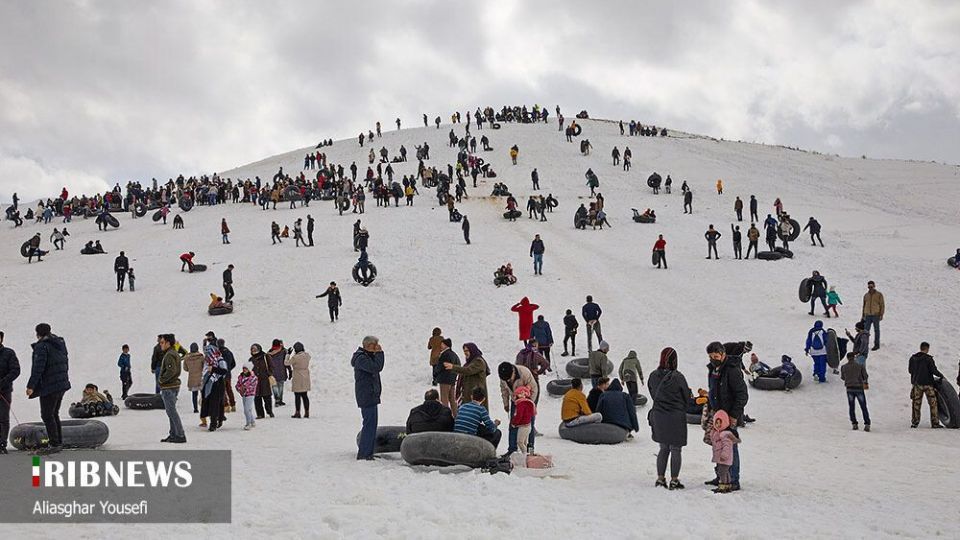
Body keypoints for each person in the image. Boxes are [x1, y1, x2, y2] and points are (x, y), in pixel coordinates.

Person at [704, 341, 748, 491]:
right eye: (710, 356)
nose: (713, 359)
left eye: (715, 356)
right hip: (717, 415)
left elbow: (742, 395)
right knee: (718, 444)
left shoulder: (732, 370)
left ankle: (733, 479)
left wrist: (734, 415)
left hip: (730, 415)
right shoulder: (712, 369)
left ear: (722, 354)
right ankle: (721, 475)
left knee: (730, 447)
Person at [648, 347, 690, 490]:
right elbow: (686, 397)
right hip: (675, 416)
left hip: (659, 415)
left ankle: (660, 478)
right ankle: (674, 480)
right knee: (676, 448)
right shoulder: (678, 377)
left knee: (663, 447)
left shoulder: (653, 376)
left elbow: (653, 394)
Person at [24, 323, 71, 454]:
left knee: (47, 415)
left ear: (38, 333)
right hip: (61, 383)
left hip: (50, 385)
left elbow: (38, 368)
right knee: (54, 413)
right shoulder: (59, 343)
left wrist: (31, 386)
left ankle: (54, 443)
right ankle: (58, 442)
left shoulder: (41, 347)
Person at [353, 336, 384, 460]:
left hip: (370, 395)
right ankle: (364, 453)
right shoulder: (361, 358)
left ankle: (368, 452)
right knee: (369, 425)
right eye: (374, 345)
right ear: (368, 346)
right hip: (366, 395)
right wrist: (380, 353)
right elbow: (376, 367)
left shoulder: (366, 357)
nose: (376, 346)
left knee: (371, 424)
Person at [498, 362, 538, 454]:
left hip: (528, 401)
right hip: (515, 401)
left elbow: (534, 388)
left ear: (513, 371)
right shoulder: (503, 377)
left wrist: (529, 404)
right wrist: (506, 404)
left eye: (509, 378)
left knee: (529, 424)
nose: (508, 381)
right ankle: (512, 449)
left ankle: (530, 449)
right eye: (506, 379)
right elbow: (504, 390)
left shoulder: (524, 372)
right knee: (513, 423)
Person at [157, 333, 185, 443]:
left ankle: (180, 434)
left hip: (169, 387)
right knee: (170, 412)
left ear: (168, 343)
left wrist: (161, 380)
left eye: (162, 342)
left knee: (172, 412)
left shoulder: (169, 355)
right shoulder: (173, 353)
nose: (160, 344)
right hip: (172, 386)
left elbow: (171, 371)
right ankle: (173, 434)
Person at [908, 342, 944, 429]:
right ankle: (935, 423)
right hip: (928, 384)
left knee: (916, 403)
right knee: (933, 403)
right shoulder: (928, 359)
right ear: (927, 349)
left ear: (920, 348)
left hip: (917, 384)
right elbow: (934, 370)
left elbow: (910, 370)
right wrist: (941, 376)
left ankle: (915, 422)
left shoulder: (913, 358)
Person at [445, 342, 490, 409]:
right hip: (469, 395)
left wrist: (453, 367)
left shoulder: (479, 361)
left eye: (467, 350)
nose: (465, 353)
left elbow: (468, 370)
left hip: (477, 396)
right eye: (464, 351)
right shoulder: (470, 362)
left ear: (472, 350)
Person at [709, 410, 741, 494]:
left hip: (724, 458)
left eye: (720, 423)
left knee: (722, 472)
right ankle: (727, 485)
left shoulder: (725, 434)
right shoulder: (717, 433)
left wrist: (724, 455)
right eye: (716, 423)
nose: (718, 425)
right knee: (725, 472)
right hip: (720, 457)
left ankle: (723, 485)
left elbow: (727, 446)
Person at [199, 341, 228, 432]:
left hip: (218, 385)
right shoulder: (207, 362)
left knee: (215, 404)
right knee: (210, 404)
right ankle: (217, 420)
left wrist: (214, 369)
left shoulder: (220, 360)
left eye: (208, 352)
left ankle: (214, 424)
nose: (207, 355)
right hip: (208, 385)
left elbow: (224, 371)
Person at [0, 331, 21, 454]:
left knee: (3, 418)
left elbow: (15, 370)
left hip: (4, 391)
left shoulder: (9, 353)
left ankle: (2, 443)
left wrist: (2, 383)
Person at [840, 352, 870, 431]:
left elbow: (843, 377)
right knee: (863, 406)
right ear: (854, 357)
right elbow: (865, 376)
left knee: (851, 407)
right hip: (859, 388)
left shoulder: (844, 367)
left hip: (849, 389)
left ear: (847, 358)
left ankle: (854, 423)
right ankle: (867, 424)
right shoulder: (860, 366)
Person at [433, 338, 460, 415]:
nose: (441, 346)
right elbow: (458, 366)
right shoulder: (454, 355)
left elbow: (440, 366)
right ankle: (456, 416)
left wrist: (435, 372)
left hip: (444, 380)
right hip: (452, 380)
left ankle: (445, 416)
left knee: (444, 399)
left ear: (446, 345)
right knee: (452, 399)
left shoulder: (445, 355)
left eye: (442, 344)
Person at [285, 342, 311, 418]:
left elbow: (286, 363)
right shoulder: (307, 356)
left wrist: (288, 354)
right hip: (305, 376)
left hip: (297, 376)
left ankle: (297, 412)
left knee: (297, 395)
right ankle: (307, 412)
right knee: (305, 395)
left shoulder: (295, 357)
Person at [249, 343, 274, 419]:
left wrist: (268, 374)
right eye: (252, 349)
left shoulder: (266, 357)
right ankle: (260, 414)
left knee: (267, 397)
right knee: (257, 398)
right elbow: (248, 370)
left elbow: (271, 366)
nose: (253, 351)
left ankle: (269, 411)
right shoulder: (251, 359)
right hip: (255, 382)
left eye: (255, 349)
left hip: (265, 380)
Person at [511, 385, 536, 454]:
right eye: (519, 393)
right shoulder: (530, 403)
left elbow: (519, 415)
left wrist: (514, 423)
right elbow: (533, 414)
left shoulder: (521, 403)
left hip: (523, 426)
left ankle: (525, 455)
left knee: (520, 442)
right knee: (524, 442)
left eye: (521, 393)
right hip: (528, 425)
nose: (520, 395)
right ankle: (526, 455)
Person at [181, 343, 204, 415]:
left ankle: (195, 409)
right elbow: (204, 366)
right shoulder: (201, 357)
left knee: (194, 394)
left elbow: (185, 368)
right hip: (201, 378)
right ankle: (204, 407)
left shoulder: (186, 358)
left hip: (192, 378)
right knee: (203, 394)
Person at [862, 281, 884, 350]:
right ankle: (865, 344)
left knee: (876, 330)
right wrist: (863, 315)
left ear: (874, 286)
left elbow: (882, 305)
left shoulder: (879, 295)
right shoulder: (866, 295)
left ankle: (876, 344)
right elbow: (864, 305)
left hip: (876, 315)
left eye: (871, 286)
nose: (870, 288)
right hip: (867, 315)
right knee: (866, 331)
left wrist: (881, 314)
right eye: (869, 287)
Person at [235, 363, 259, 430]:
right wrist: (240, 389)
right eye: (243, 368)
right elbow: (237, 385)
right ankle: (252, 421)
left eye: (246, 368)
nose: (244, 370)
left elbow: (253, 386)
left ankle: (248, 423)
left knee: (246, 410)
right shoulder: (240, 376)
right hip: (243, 395)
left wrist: (245, 388)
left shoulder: (253, 377)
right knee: (249, 409)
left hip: (250, 394)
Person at [267, 339, 289, 406]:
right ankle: (280, 400)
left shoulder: (269, 353)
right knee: (280, 387)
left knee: (275, 387)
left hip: (273, 373)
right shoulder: (283, 351)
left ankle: (277, 400)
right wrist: (290, 370)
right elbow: (286, 362)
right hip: (281, 372)